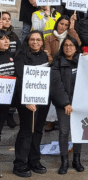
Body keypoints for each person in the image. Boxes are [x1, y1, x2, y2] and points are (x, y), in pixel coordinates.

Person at [12, 31, 50, 177]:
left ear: (42, 42)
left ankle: (34, 160)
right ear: (28, 41)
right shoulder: (21, 57)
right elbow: (20, 79)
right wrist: (27, 100)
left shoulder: (44, 56)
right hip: (27, 101)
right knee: (27, 131)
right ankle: (20, 164)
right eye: (32, 40)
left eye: (38, 40)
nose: (35, 42)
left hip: (42, 101)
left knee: (38, 130)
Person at [49, 37, 84, 174]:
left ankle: (77, 160)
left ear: (76, 48)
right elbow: (57, 86)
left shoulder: (82, 62)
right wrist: (66, 103)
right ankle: (64, 162)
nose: (68, 48)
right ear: (62, 48)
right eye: (66, 45)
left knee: (78, 133)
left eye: (71, 45)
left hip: (80, 104)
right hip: (64, 104)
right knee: (64, 132)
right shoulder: (57, 63)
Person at [0, 30, 16, 142]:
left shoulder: (11, 55)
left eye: (7, 38)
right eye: (2, 39)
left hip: (5, 100)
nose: (6, 41)